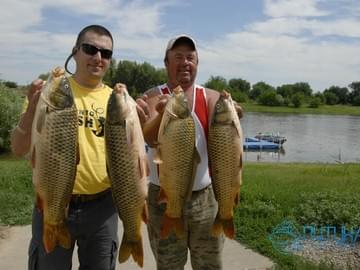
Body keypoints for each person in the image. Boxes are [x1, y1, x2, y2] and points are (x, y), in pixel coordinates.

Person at [11, 24, 123, 270]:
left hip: (102, 207)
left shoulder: (117, 100)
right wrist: (31, 107)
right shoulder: (49, 95)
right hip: (51, 200)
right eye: (90, 49)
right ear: (75, 52)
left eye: (106, 53)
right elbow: (18, 149)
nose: (98, 57)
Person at [136, 35, 236, 270]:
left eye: (190, 57)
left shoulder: (210, 97)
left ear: (197, 63)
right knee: (169, 265)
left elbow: (224, 139)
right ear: (166, 62)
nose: (185, 62)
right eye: (178, 57)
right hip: (164, 197)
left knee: (209, 265)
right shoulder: (153, 95)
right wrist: (162, 114)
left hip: (206, 199)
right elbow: (148, 137)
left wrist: (234, 116)